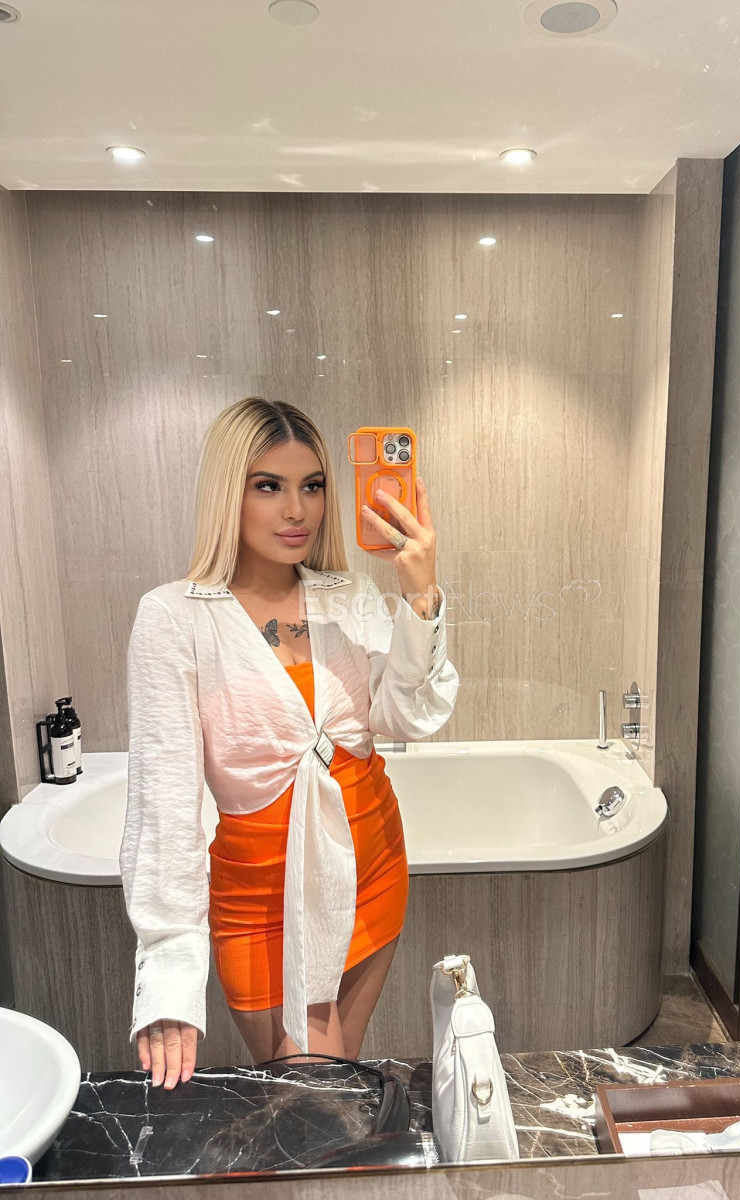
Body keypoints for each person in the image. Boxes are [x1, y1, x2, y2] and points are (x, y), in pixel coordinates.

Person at [119, 397, 459, 1090]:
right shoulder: (174, 617)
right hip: (262, 899)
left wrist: (420, 597)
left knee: (329, 1091)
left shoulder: (345, 592)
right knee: (310, 1093)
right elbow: (163, 807)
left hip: (372, 864)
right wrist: (169, 974)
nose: (297, 509)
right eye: (268, 486)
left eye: (313, 485)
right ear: (228, 494)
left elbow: (406, 716)